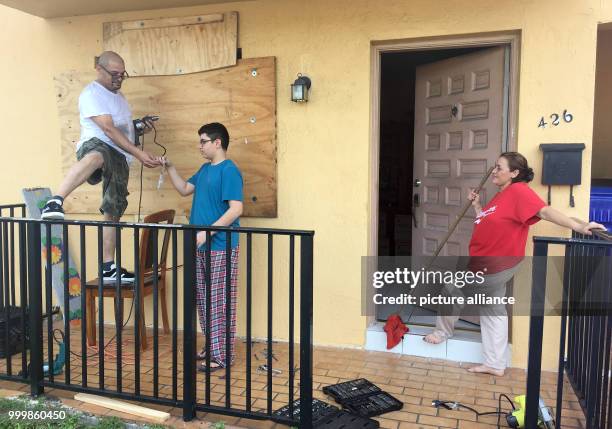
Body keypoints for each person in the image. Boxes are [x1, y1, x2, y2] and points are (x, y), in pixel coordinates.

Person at [422, 152, 605, 376]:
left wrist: (580, 226)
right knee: (493, 309)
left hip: (495, 264)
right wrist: (477, 206)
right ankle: (495, 363)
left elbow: (544, 211)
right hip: (487, 261)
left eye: (499, 167)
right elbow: (486, 224)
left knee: (452, 290)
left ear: (514, 173)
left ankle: (441, 334)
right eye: (494, 167)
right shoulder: (501, 195)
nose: (494, 171)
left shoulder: (519, 191)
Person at [41, 51, 160, 283]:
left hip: (120, 156)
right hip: (99, 145)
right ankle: (54, 201)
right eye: (114, 74)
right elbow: (108, 130)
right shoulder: (91, 94)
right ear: (99, 69)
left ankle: (107, 266)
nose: (119, 78)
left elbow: (122, 130)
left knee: (113, 209)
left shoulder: (120, 97)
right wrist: (140, 153)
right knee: (97, 156)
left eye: (122, 74)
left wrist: (138, 127)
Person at [160, 122, 243, 372]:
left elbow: (236, 209)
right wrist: (170, 167)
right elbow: (185, 189)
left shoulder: (229, 171)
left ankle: (222, 356)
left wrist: (208, 231)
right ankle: (213, 347)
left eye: (203, 141)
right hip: (202, 246)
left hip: (221, 246)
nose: (200, 146)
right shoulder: (205, 169)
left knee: (219, 301)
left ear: (218, 143)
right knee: (204, 299)